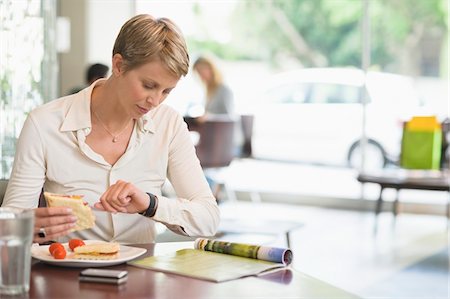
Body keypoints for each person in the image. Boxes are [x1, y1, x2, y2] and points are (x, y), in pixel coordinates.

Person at [2, 14, 220, 244]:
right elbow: (11, 221)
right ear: (118, 65)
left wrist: (150, 204)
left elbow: (208, 218)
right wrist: (28, 227)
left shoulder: (169, 124)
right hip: (67, 272)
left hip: (143, 273)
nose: (155, 101)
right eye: (148, 86)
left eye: (166, 91)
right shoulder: (44, 124)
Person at [192, 55, 235, 122]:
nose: (201, 75)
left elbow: (230, 117)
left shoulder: (224, 90)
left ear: (211, 68)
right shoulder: (209, 91)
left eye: (202, 70)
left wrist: (209, 117)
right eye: (198, 72)